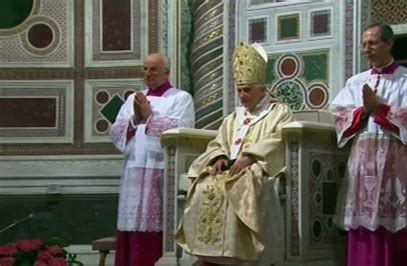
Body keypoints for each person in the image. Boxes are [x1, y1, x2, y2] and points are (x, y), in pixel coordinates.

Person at [175, 42, 292, 265]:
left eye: (247, 90)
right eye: (239, 90)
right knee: (204, 184)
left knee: (240, 186)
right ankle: (208, 255)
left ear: (262, 89)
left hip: (256, 167)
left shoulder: (278, 112)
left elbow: (278, 140)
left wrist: (251, 157)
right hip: (230, 166)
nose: (242, 95)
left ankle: (238, 255)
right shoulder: (233, 117)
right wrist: (218, 157)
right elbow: (219, 141)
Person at [330, 23, 407, 266]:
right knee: (365, 221)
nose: (367, 49)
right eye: (364, 44)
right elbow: (339, 117)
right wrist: (364, 110)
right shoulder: (356, 82)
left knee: (398, 220)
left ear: (389, 43)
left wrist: (381, 108)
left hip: (397, 163)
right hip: (365, 163)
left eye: (372, 43)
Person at [110, 53, 195, 266]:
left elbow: (182, 131)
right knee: (132, 226)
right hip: (133, 170)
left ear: (167, 72)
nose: (148, 73)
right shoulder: (133, 99)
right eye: (145, 69)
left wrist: (149, 117)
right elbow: (115, 131)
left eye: (153, 69)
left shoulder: (180, 98)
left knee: (155, 226)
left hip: (160, 170)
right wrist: (135, 119)